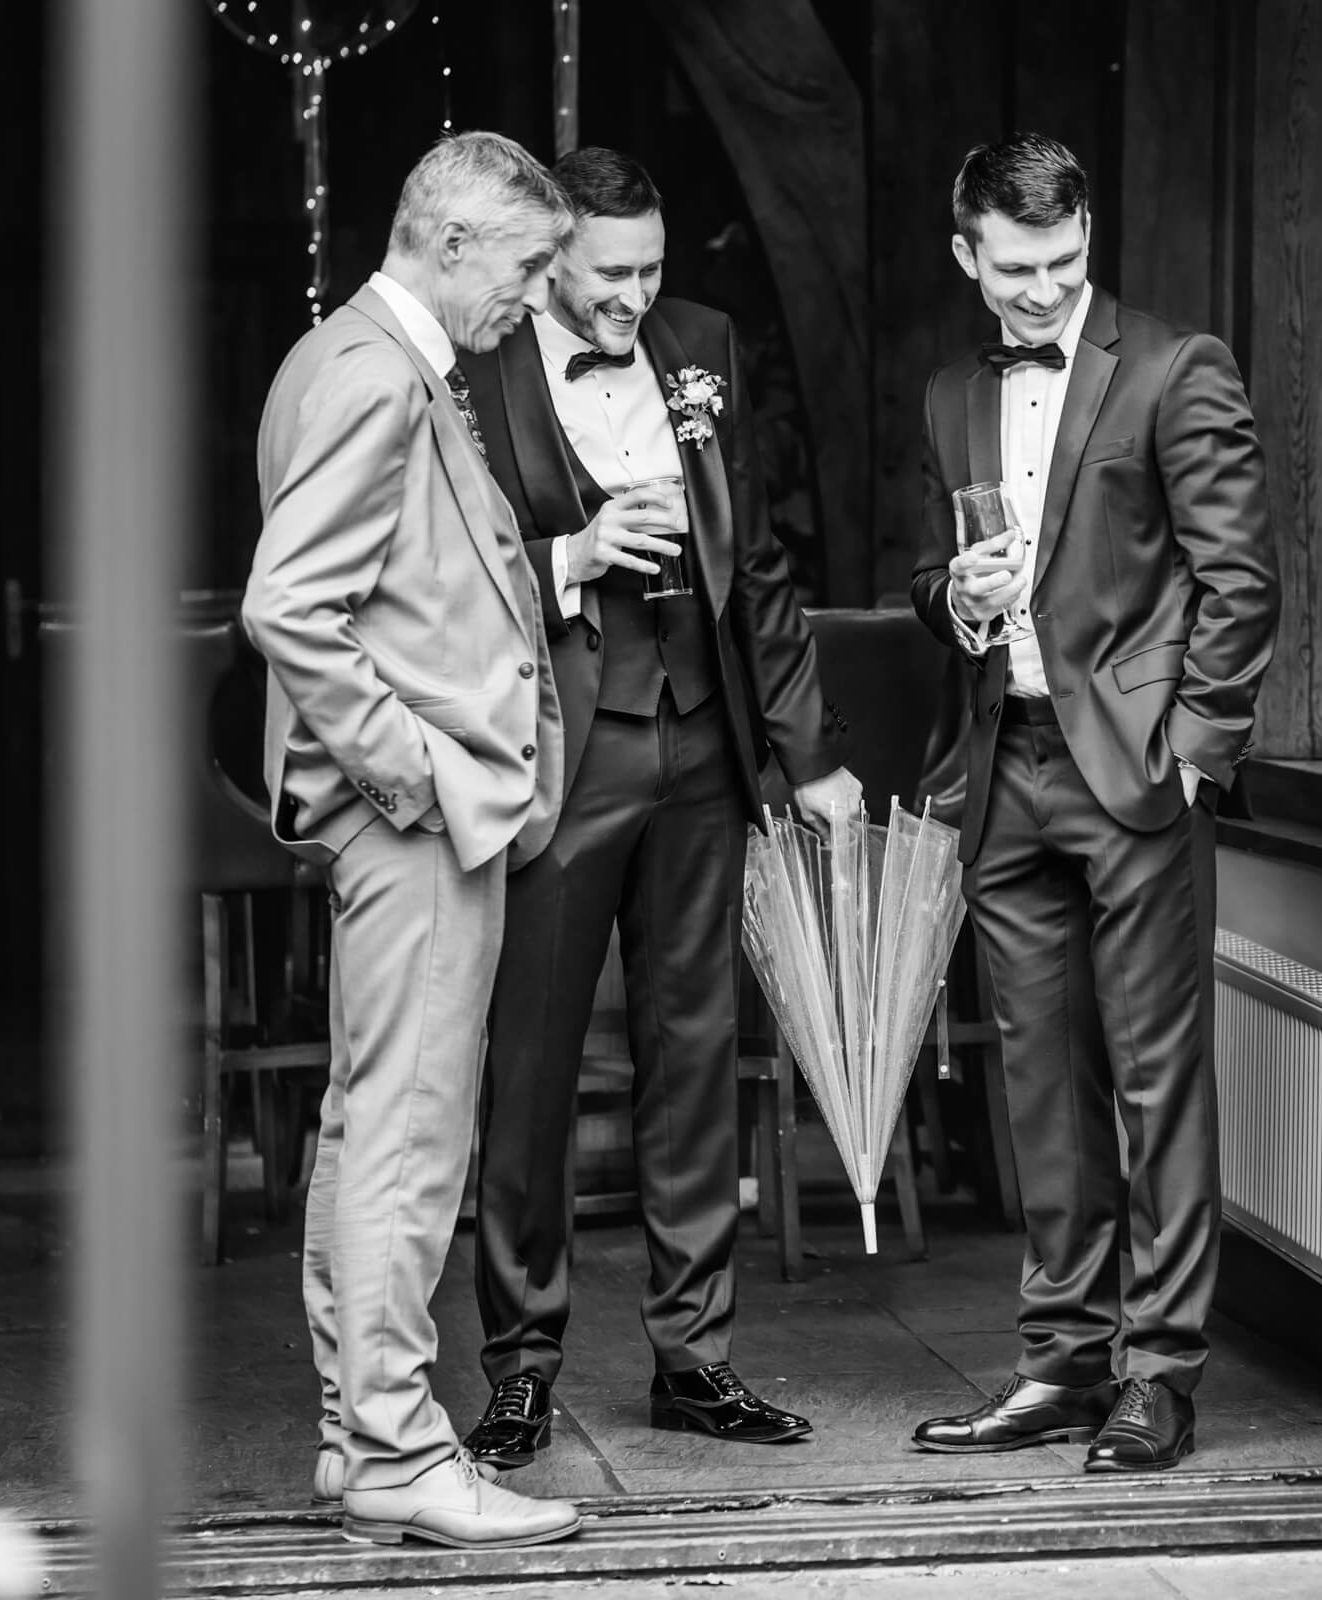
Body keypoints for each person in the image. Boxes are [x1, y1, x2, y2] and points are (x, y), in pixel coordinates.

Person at [452, 147, 862, 1471]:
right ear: (552, 259)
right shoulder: (483, 361)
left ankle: (696, 1361)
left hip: (699, 745)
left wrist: (802, 752)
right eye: (609, 275)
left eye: (652, 270)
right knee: (534, 1067)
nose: (636, 298)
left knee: (695, 1057)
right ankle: (519, 1368)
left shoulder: (703, 344)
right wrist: (569, 557)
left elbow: (765, 565)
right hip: (562, 754)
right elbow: (436, 562)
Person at [907, 133, 1279, 1473]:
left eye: (1065, 263)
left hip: (1135, 776)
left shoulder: (1179, 368)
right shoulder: (953, 390)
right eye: (1015, 268)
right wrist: (950, 597)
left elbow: (1242, 575)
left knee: (1157, 1079)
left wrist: (1199, 749)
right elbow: (936, 575)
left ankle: (1161, 1370)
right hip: (1005, 766)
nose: (1045, 292)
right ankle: (1060, 1363)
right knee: (1041, 1084)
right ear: (967, 254)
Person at [242, 131, 582, 1550]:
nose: (537, 296)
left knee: (365, 1124)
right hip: (417, 827)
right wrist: (418, 780)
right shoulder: (381, 376)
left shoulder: (339, 354)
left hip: (407, 822)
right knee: (408, 1139)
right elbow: (288, 606)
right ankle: (396, 1450)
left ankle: (349, 1434)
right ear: (447, 243)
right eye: (525, 265)